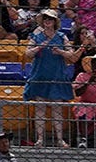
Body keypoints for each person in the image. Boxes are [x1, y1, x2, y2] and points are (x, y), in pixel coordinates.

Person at [24, 9, 72, 147]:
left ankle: (59, 139)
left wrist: (60, 51)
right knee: (40, 108)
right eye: (45, 18)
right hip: (40, 75)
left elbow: (71, 54)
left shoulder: (62, 36)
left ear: (55, 21)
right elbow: (27, 53)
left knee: (57, 109)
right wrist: (39, 47)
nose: (47, 20)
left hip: (57, 75)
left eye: (50, 18)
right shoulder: (36, 36)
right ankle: (40, 139)